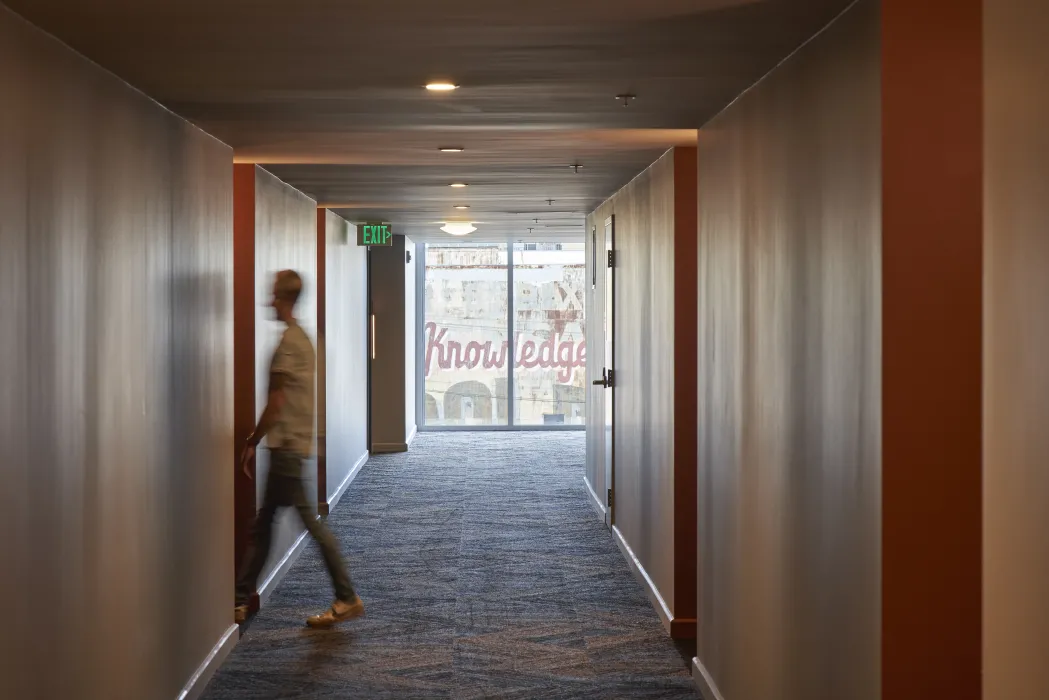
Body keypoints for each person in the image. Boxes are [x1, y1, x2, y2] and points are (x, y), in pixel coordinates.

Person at [234, 269, 363, 628]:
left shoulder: (290, 344)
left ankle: (346, 596)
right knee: (270, 524)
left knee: (298, 524)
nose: (268, 301)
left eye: (273, 295)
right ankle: (242, 596)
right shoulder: (306, 340)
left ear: (285, 299)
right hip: (295, 446)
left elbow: (276, 402)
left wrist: (252, 441)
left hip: (286, 449)